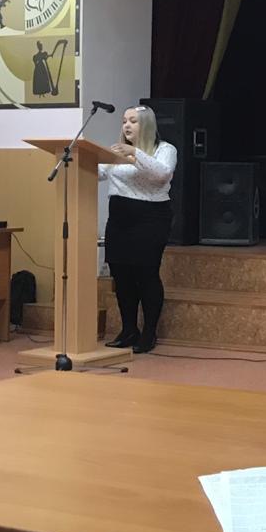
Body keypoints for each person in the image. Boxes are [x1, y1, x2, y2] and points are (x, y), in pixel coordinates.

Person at [98, 106, 177, 354]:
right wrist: (77, 158)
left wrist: (134, 153)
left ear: (147, 125)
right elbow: (98, 172)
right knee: (121, 276)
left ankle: (149, 332)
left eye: (133, 121)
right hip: (119, 220)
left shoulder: (165, 149)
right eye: (124, 121)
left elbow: (161, 174)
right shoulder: (116, 151)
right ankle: (129, 330)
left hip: (150, 218)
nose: (127, 125)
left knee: (146, 274)